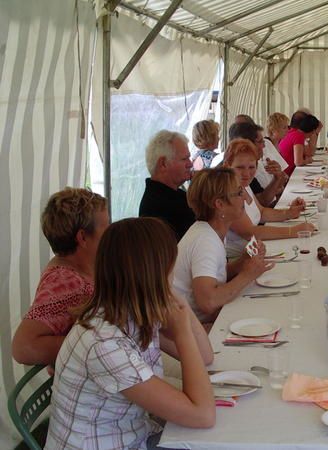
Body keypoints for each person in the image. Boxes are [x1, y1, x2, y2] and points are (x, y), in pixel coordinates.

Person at [45, 217, 216, 449]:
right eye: (170, 269)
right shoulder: (104, 343)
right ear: (153, 275)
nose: (173, 276)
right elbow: (203, 415)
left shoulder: (129, 308)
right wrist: (182, 331)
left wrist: (178, 302)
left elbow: (205, 357)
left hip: (133, 433)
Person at [12, 188, 109, 366]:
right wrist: (92, 346)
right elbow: (23, 348)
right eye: (107, 227)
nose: (111, 233)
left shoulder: (82, 267)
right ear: (83, 237)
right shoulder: (65, 280)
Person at [172, 168, 273, 322]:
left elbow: (213, 275)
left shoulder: (210, 230)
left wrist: (242, 262)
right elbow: (208, 302)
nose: (245, 198)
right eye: (239, 193)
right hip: (197, 328)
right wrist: (248, 274)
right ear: (220, 204)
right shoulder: (205, 241)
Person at [223, 139, 315, 257]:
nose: (246, 173)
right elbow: (249, 232)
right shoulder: (226, 192)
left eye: (251, 167)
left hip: (255, 251)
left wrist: (289, 213)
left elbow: (261, 212)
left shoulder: (242, 185)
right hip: (239, 259)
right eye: (240, 167)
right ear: (227, 166)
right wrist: (292, 231)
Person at [139, 130, 195, 241]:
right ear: (163, 164)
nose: (190, 164)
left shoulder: (172, 195)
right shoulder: (159, 207)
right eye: (184, 159)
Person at [229, 121, 287, 207]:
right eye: (260, 142)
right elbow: (262, 202)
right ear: (248, 144)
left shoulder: (255, 163)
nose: (264, 146)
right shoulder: (243, 169)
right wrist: (278, 179)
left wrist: (278, 177)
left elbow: (263, 204)